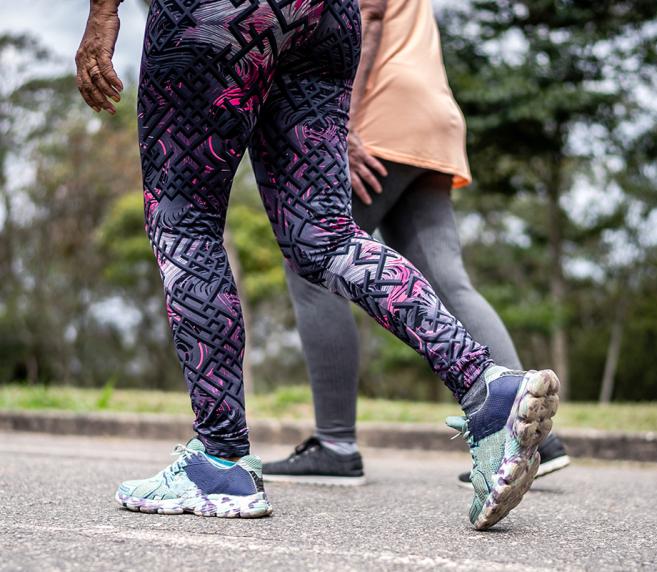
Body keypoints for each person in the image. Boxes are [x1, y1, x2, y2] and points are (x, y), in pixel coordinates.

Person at [75, 0, 558, 530]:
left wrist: (102, 13)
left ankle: (221, 459)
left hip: (215, 15)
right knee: (323, 235)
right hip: (326, 16)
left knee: (184, 223)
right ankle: (485, 386)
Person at [261, 0, 571, 488]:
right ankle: (528, 430)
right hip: (432, 112)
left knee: (311, 257)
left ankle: (335, 445)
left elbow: (368, 17)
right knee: (448, 280)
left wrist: (342, 125)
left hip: (379, 111)